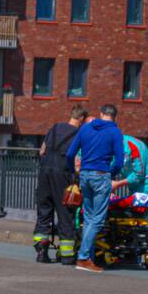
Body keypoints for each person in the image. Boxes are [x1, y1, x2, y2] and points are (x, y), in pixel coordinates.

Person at [66, 103, 125, 273]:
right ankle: (83, 257)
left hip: (85, 175)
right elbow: (119, 161)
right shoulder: (115, 132)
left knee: (89, 218)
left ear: (101, 114)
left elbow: (70, 154)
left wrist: (73, 171)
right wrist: (111, 174)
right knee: (97, 220)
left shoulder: (85, 128)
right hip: (101, 175)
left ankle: (87, 258)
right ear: (115, 116)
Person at [33, 104, 88, 264]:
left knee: (44, 211)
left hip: (44, 172)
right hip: (62, 175)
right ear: (81, 119)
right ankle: (67, 255)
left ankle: (41, 252)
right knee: (65, 213)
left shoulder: (55, 128)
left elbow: (42, 151)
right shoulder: (78, 134)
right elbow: (77, 160)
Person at [113, 135, 148, 203]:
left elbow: (139, 174)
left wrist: (117, 184)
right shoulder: (111, 146)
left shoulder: (132, 146)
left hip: (147, 183)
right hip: (134, 185)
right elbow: (111, 168)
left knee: (141, 207)